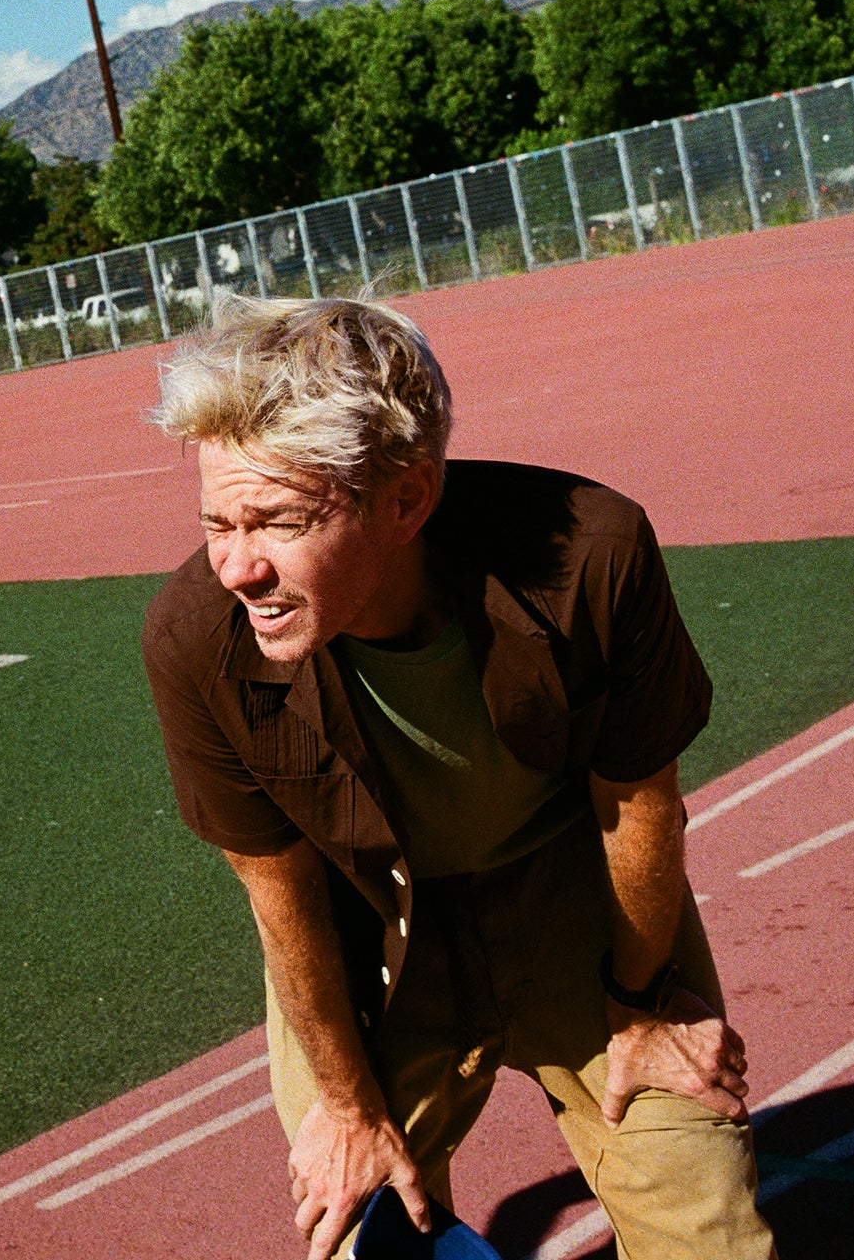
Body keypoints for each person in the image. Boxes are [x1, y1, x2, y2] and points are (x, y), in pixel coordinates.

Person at [139, 295, 774, 1260]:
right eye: (216, 522)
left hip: (576, 891)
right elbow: (280, 893)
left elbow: (640, 804)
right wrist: (349, 1106)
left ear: (406, 499)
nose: (236, 567)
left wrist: (645, 1006)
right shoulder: (197, 641)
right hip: (367, 921)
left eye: (276, 521)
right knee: (359, 1228)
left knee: (710, 1226)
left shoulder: (592, 558)